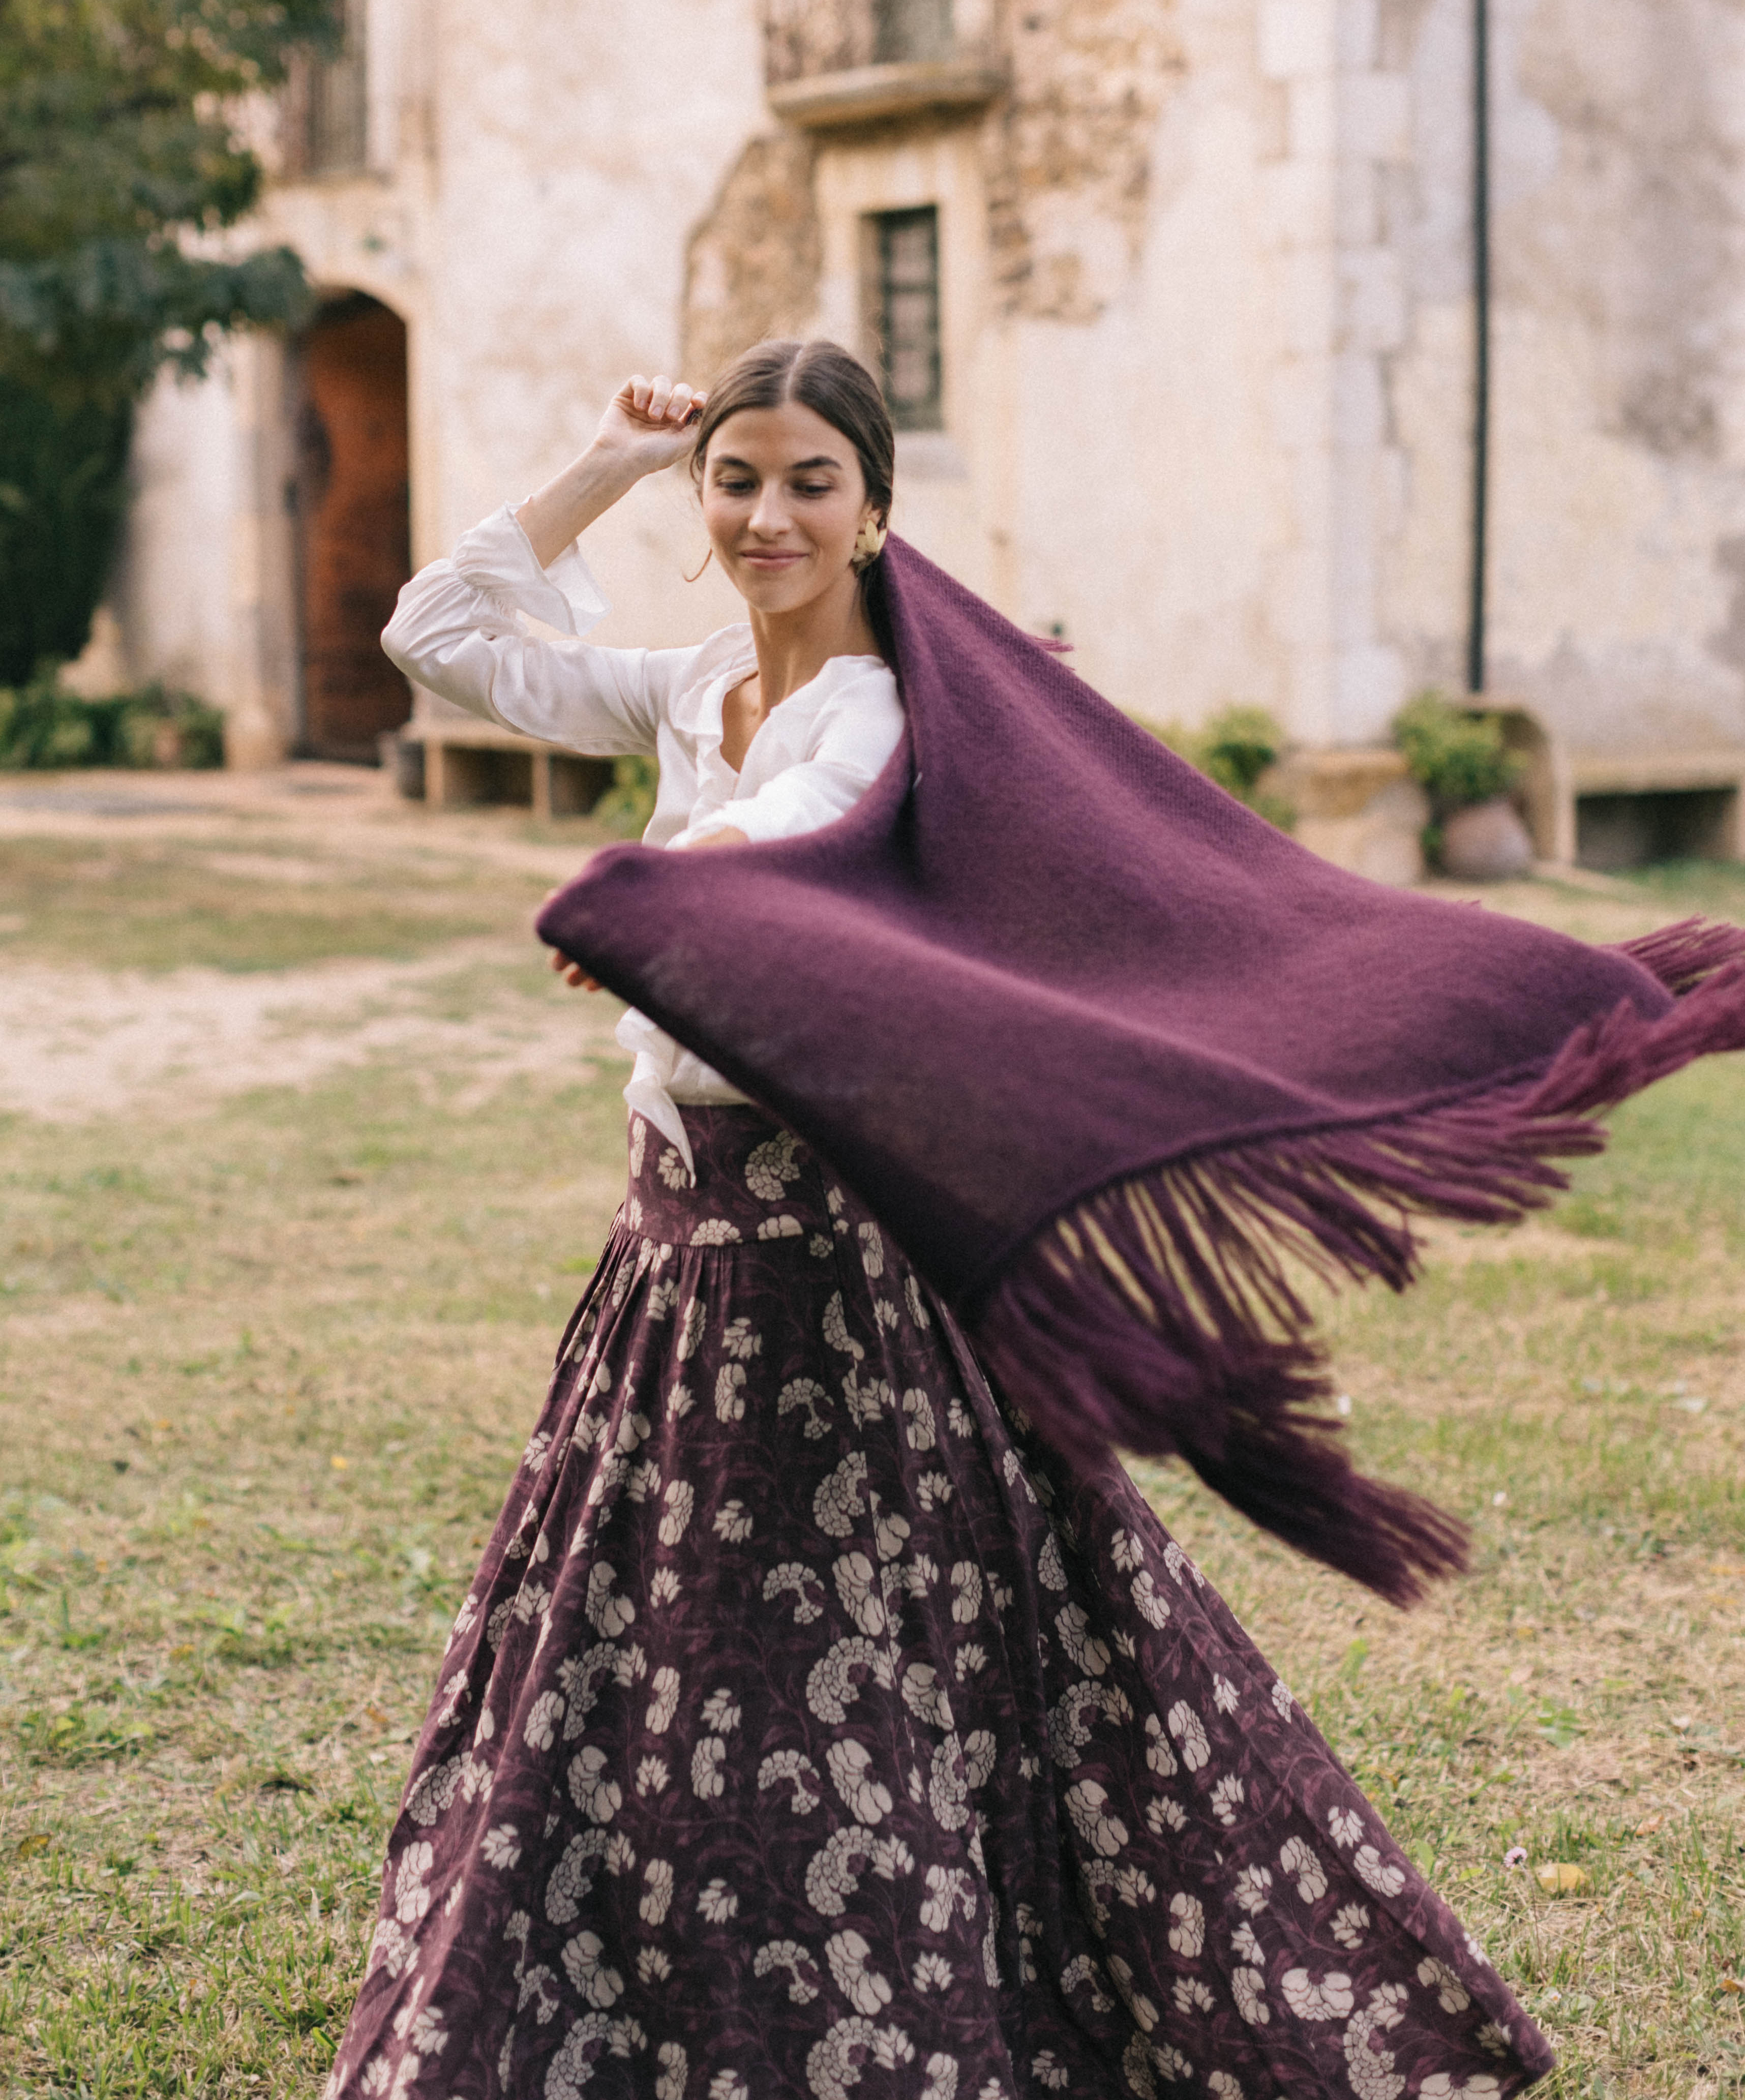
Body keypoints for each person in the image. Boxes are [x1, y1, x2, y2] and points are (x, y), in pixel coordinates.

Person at [326, 341, 1551, 2099]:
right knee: (643, 1658)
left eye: (811, 480)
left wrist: (652, 911)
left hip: (831, 1293)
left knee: (869, 1673)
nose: (766, 514)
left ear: (878, 511)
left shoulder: (873, 720)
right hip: (672, 1264)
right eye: (737, 478)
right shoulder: (693, 692)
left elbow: (764, 912)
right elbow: (439, 637)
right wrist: (608, 458)